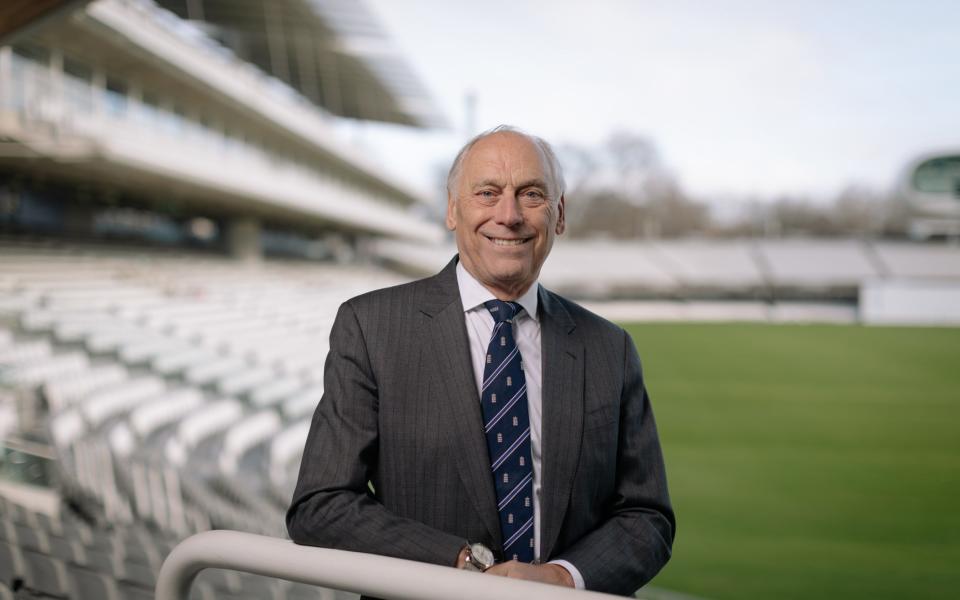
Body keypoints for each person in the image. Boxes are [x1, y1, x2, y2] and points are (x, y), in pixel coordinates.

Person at [287, 125, 675, 596]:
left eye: (531, 194)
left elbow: (646, 517)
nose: (508, 215)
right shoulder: (370, 327)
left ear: (559, 215)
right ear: (453, 209)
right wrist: (466, 565)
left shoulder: (610, 348)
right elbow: (321, 505)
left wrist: (559, 580)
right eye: (487, 193)